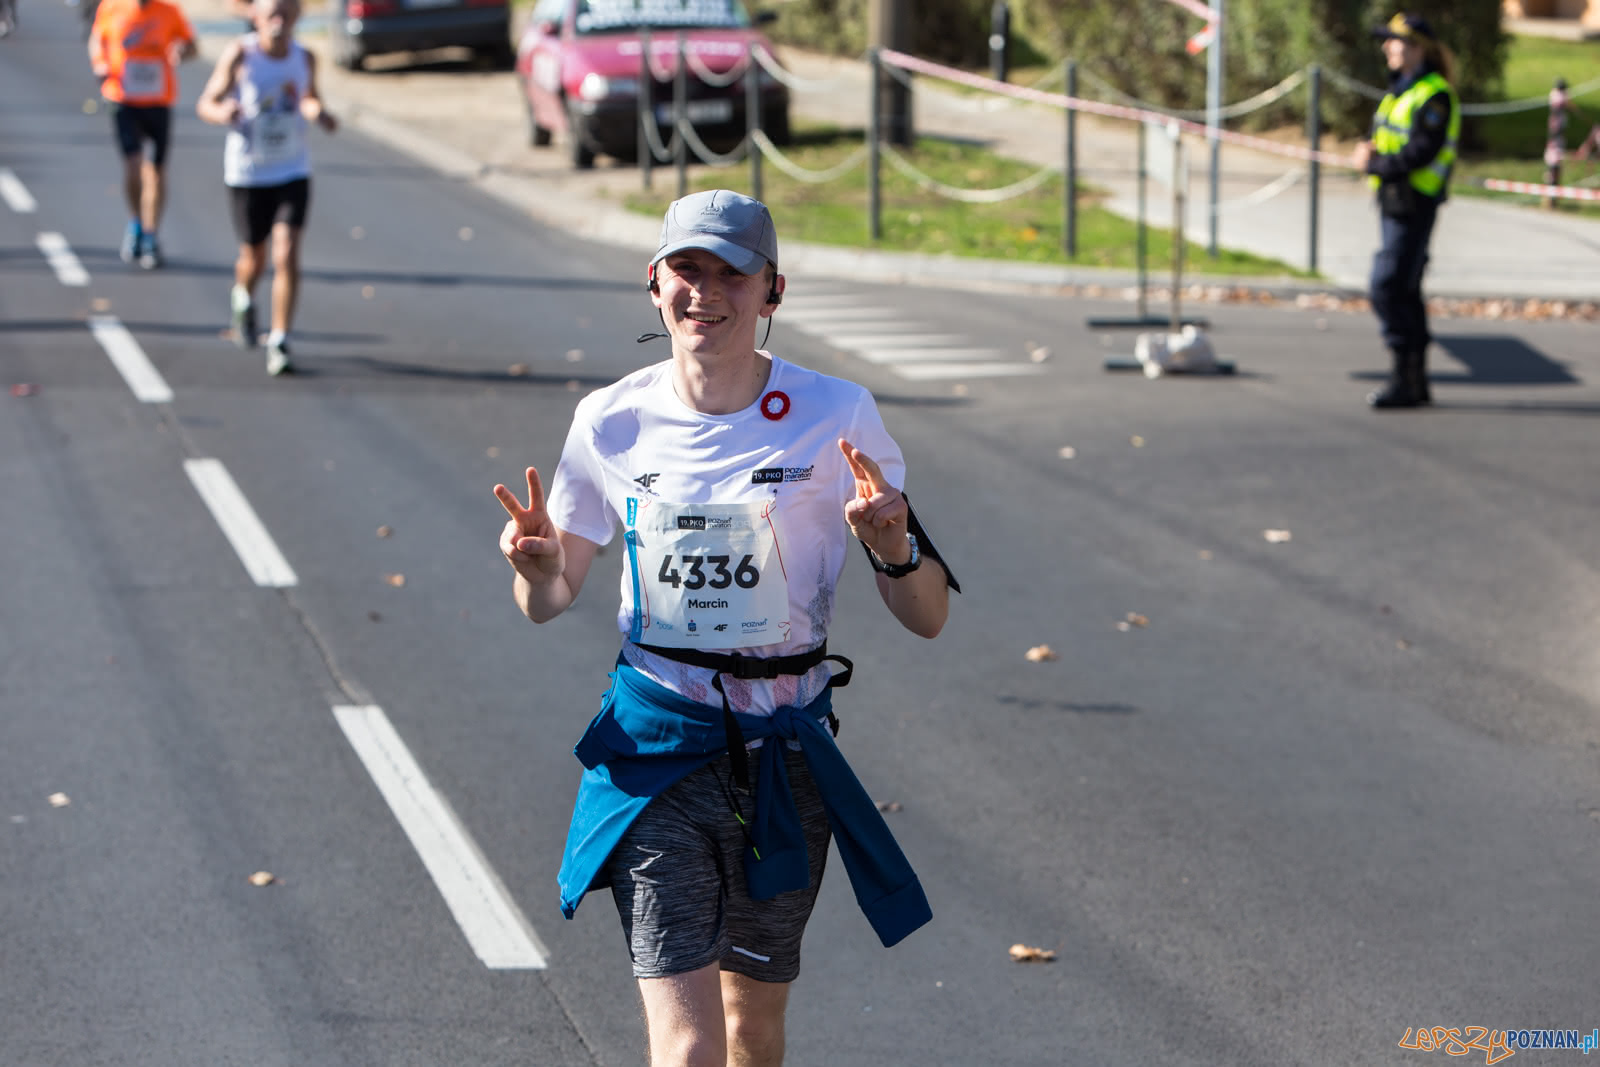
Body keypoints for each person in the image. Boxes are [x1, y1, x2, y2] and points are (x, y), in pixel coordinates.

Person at [494, 189, 958, 1067]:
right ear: (654, 282)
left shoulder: (838, 415)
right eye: (687, 271)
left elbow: (926, 615)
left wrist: (892, 545)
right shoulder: (611, 420)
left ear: (772, 292)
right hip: (658, 743)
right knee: (693, 1045)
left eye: (730, 275)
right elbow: (550, 599)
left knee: (753, 1030)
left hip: (786, 751)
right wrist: (543, 570)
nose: (705, 294)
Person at [196, 0, 336, 376]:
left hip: (292, 169)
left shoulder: (305, 57)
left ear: (296, 16)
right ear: (255, 16)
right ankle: (243, 297)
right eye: (272, 11)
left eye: (287, 10)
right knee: (253, 258)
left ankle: (279, 338)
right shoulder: (241, 54)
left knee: (286, 252)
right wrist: (222, 112)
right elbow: (206, 103)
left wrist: (316, 112)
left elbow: (309, 96)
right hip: (249, 172)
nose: (280, 17)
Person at [1351, 12, 1459, 410]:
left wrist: (1372, 164)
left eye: (1394, 41)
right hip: (1392, 201)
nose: (1386, 47)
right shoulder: (1400, 89)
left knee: (1387, 286)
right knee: (1406, 291)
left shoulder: (1434, 94)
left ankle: (1406, 376)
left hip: (1415, 202)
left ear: (1417, 48)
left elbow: (1420, 152)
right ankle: (1413, 380)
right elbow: (1384, 133)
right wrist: (1369, 149)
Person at [87, 0, 197, 269]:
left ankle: (151, 234)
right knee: (133, 165)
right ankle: (137, 222)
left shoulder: (169, 11)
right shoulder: (112, 7)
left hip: (159, 100)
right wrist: (100, 65)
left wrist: (182, 52)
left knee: (157, 171)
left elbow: (192, 45)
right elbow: (96, 40)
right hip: (124, 98)